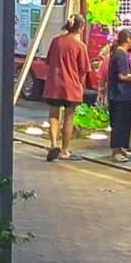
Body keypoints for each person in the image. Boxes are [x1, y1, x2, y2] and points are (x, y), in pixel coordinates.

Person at [42, 15, 91, 161]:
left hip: (53, 84)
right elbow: (83, 70)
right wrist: (80, 87)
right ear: (81, 28)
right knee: (69, 117)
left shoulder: (56, 41)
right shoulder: (79, 46)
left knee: (53, 115)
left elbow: (49, 62)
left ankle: (53, 144)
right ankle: (64, 150)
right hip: (71, 86)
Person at [108, 29, 131, 162]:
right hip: (119, 95)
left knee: (125, 123)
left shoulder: (122, 54)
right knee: (119, 123)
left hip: (123, 95)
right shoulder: (121, 54)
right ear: (128, 40)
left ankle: (122, 148)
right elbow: (122, 76)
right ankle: (116, 151)